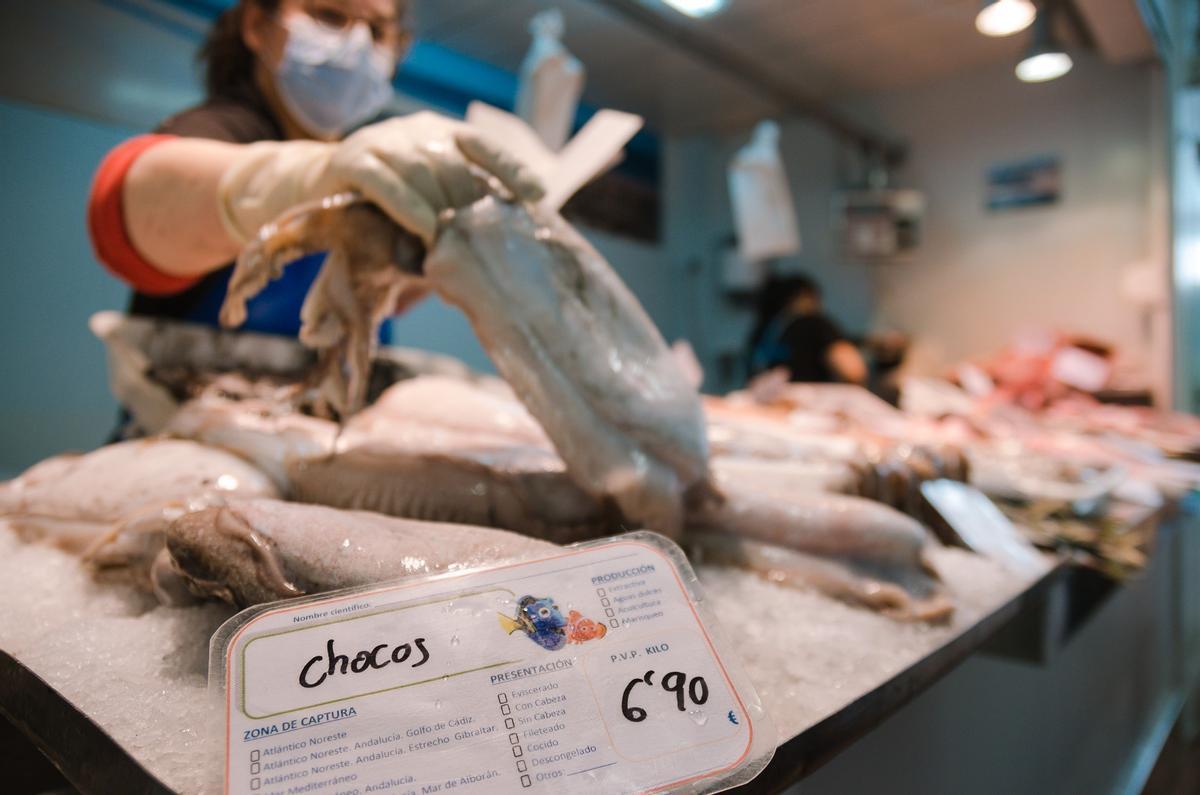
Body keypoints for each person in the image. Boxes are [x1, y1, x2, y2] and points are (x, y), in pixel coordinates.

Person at [87, 0, 542, 334]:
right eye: (329, 16)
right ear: (257, 26)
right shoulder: (217, 129)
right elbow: (127, 204)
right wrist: (304, 183)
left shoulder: (364, 157)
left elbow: (382, 296)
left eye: (378, 32)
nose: (357, 45)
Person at [746, 274, 867, 385]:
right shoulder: (814, 324)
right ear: (805, 296)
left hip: (765, 402)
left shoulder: (765, 330)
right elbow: (853, 371)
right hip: (807, 403)